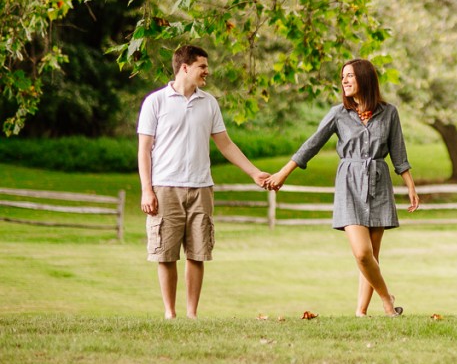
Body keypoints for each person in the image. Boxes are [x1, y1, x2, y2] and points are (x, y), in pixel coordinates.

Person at [265, 58, 420, 317]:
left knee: (372, 256)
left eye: (350, 75)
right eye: (343, 76)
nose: (344, 81)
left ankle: (360, 312)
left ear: (365, 79)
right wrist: (283, 173)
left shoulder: (389, 112)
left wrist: (411, 187)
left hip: (379, 183)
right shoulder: (338, 113)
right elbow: (311, 145)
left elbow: (399, 154)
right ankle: (387, 301)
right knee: (361, 253)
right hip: (349, 184)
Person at [138, 44, 270, 319]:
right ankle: (169, 313)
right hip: (165, 188)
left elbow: (225, 144)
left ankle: (192, 314)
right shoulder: (156, 102)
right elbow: (144, 150)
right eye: (202, 67)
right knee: (166, 253)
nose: (207, 72)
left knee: (197, 253)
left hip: (201, 188)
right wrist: (147, 190)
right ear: (184, 68)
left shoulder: (209, 103)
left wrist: (254, 172)